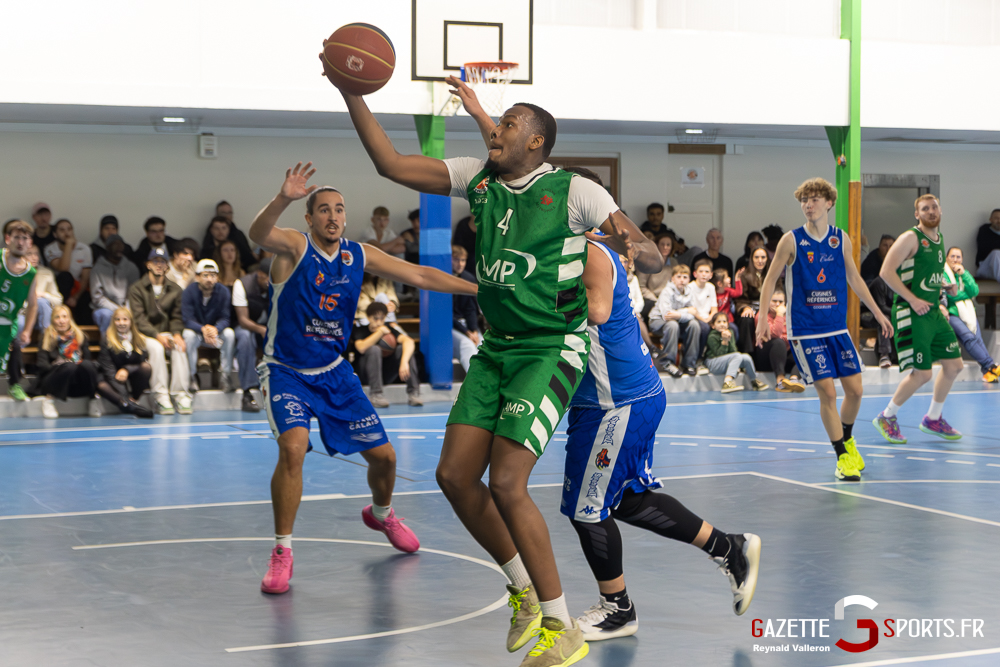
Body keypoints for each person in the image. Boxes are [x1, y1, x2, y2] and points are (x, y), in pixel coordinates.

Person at [339, 70, 660, 666]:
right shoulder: (480, 178)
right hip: (498, 348)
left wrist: (629, 240)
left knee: (509, 483)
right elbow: (390, 164)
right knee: (455, 477)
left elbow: (654, 252)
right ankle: (523, 592)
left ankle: (561, 626)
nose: (495, 128)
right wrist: (351, 91)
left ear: (535, 140)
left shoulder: (575, 192)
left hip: (549, 348)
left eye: (508, 123)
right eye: (497, 121)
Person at [247, 162, 477, 598]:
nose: (333, 216)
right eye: (324, 210)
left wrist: (479, 290)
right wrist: (282, 197)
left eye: (339, 209)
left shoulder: (358, 254)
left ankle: (382, 513)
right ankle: (282, 550)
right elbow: (259, 233)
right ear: (309, 218)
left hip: (334, 373)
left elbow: (423, 276)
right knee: (293, 447)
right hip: (285, 372)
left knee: (386, 459)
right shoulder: (294, 248)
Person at [565, 239, 760, 641]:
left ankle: (617, 609)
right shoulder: (594, 249)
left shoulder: (585, 251)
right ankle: (729, 547)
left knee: (588, 508)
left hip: (618, 403)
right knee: (624, 499)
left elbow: (596, 311)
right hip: (616, 397)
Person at [756, 178, 892, 482]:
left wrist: (878, 313)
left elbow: (855, 279)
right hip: (805, 330)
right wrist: (763, 316)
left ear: (829, 203)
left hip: (836, 328)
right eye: (805, 199)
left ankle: (847, 439)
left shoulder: (841, 239)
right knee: (828, 393)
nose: (809, 204)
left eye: (815, 199)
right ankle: (842, 458)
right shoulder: (791, 240)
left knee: (855, 391)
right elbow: (769, 280)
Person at [873, 195, 965, 443]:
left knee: (954, 365)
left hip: (933, 311)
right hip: (911, 311)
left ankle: (933, 419)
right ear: (917, 214)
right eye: (925, 209)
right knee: (922, 374)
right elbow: (885, 272)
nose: (931, 211)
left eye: (934, 207)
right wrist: (913, 299)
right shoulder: (910, 238)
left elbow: (928, 274)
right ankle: (887, 416)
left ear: (940, 210)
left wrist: (946, 285)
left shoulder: (940, 239)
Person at [128, 247, 193, 415]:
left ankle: (181, 395)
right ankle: (161, 396)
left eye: (162, 262)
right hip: (145, 335)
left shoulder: (175, 289)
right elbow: (139, 319)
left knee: (179, 346)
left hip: (167, 333)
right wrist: (157, 335)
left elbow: (177, 317)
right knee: (156, 348)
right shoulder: (137, 288)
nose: (159, 265)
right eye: (155, 261)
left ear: (167, 266)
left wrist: (177, 334)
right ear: (148, 265)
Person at [28, 305, 99, 419]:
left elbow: (87, 359)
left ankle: (92, 400)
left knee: (88, 365)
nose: (61, 321)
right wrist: (60, 367)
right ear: (53, 320)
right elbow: (42, 365)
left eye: (64, 317)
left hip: (76, 381)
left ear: (69, 319)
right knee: (69, 366)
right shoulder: (46, 337)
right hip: (54, 379)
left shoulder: (81, 336)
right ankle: (49, 401)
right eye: (57, 317)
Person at [942, 247, 999, 382]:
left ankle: (988, 372)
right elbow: (950, 296)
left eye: (958, 257)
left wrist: (964, 275)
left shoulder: (964, 273)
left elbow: (974, 291)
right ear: (946, 258)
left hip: (968, 312)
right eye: (952, 256)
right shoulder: (942, 274)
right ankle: (990, 365)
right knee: (968, 337)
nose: (955, 260)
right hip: (951, 313)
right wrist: (965, 295)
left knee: (977, 339)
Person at [181, 259, 235, 392]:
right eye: (205, 275)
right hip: (198, 334)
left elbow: (226, 318)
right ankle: (192, 376)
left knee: (229, 334)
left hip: (215, 334)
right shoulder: (189, 292)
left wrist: (215, 329)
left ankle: (225, 376)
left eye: (213, 275)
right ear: (197, 277)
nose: (209, 279)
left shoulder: (223, 292)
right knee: (188, 335)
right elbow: (187, 319)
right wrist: (203, 329)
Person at [354, 302, 421, 407]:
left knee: (403, 349)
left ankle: (414, 393)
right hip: (365, 375)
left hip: (385, 374)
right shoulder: (360, 330)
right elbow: (361, 348)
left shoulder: (389, 329)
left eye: (382, 318)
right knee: (374, 349)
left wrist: (404, 362)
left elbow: (409, 341)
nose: (379, 322)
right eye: (375, 318)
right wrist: (379, 333)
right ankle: (376, 395)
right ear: (368, 317)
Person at [1, 220, 38, 402]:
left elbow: (33, 304)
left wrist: (28, 331)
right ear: (8, 239)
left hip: (8, 321)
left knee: (15, 345)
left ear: (30, 243)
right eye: (16, 237)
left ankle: (14, 385)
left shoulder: (30, 274)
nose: (20, 242)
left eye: (25, 238)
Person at [96, 307, 154, 418]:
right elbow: (108, 368)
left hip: (131, 376)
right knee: (101, 385)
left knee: (146, 367)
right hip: (113, 377)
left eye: (125, 319)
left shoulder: (138, 338)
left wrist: (127, 369)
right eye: (117, 320)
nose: (121, 323)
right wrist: (124, 395)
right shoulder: (106, 339)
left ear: (131, 322)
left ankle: (134, 400)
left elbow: (141, 361)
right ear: (113, 322)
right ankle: (129, 405)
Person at [232, 258, 271, 412]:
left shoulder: (278, 284)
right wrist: (262, 330)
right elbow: (242, 320)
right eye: (268, 277)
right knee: (245, 338)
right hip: (245, 327)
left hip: (268, 327)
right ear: (259, 274)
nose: (271, 281)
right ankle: (247, 393)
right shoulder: (242, 284)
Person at [649, 264, 698, 377]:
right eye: (679, 277)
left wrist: (678, 313)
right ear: (673, 278)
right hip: (658, 321)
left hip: (677, 321)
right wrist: (686, 311)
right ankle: (668, 363)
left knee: (694, 324)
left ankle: (689, 363)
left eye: (685, 277)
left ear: (689, 279)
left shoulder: (690, 291)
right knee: (672, 325)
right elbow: (667, 315)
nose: (682, 280)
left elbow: (694, 313)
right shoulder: (667, 291)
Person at [753, 288, 805, 392]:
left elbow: (795, 335)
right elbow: (775, 335)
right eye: (774, 301)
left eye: (780, 302)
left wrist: (784, 337)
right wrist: (780, 315)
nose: (777, 304)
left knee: (803, 347)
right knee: (778, 343)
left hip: (784, 355)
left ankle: (793, 380)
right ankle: (780, 381)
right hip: (765, 356)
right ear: (768, 301)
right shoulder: (761, 316)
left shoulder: (790, 315)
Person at [45, 218, 94, 323]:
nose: (66, 233)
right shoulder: (50, 249)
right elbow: (63, 268)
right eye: (62, 230)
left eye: (69, 229)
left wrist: (76, 297)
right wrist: (68, 245)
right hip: (59, 288)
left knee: (86, 299)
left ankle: (84, 336)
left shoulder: (84, 249)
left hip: (78, 288)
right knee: (65, 276)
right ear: (55, 234)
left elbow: (85, 277)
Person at [705, 311, 767, 393]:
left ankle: (754, 380)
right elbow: (719, 354)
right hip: (712, 363)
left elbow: (733, 351)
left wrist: (729, 340)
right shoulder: (712, 336)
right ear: (713, 325)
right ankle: (727, 382)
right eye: (719, 322)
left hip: (726, 361)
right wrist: (724, 342)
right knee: (737, 355)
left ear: (728, 324)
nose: (722, 324)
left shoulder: (730, 333)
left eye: (724, 321)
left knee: (745, 357)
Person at [89, 234, 140, 335]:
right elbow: (97, 297)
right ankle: (108, 347)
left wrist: (126, 310)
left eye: (121, 245)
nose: (119, 248)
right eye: (115, 245)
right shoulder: (97, 269)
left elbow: (134, 293)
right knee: (107, 315)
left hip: (127, 308)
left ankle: (131, 347)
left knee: (137, 314)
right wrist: (117, 310)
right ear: (107, 247)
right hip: (104, 309)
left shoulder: (131, 267)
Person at [735, 247, 770, 354]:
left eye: (763, 257)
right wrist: (745, 308)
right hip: (750, 307)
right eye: (757, 257)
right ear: (752, 259)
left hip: (769, 308)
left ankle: (765, 355)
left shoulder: (773, 274)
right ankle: (748, 354)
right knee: (747, 319)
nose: (760, 260)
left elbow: (779, 293)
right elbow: (740, 297)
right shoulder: (745, 275)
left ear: (767, 259)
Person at [451, 245, 480, 373]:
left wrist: (473, 330)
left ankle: (491, 383)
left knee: (483, 345)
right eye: (456, 259)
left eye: (463, 260)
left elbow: (470, 309)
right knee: (466, 344)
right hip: (449, 326)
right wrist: (466, 332)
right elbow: (445, 314)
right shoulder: (442, 279)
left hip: (466, 325)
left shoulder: (468, 279)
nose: (460, 264)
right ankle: (476, 382)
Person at [635, 233, 677, 318]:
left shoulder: (674, 263)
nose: (665, 247)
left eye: (668, 245)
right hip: (652, 298)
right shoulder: (647, 262)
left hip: (669, 298)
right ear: (656, 245)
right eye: (662, 244)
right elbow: (641, 287)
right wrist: (657, 300)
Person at [203, 204, 256, 269]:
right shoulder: (208, 243)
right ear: (211, 230)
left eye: (224, 228)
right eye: (217, 228)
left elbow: (249, 258)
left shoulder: (238, 236)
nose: (220, 232)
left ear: (228, 229)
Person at [689, 259, 718, 366]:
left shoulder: (711, 287)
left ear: (711, 275)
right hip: (695, 318)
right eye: (701, 271)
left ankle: (715, 357)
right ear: (695, 273)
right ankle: (699, 357)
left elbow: (714, 309)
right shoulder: (690, 287)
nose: (704, 274)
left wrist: (709, 318)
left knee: (731, 327)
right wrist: (704, 320)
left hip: (708, 318)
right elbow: (692, 310)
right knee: (704, 328)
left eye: (707, 272)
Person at [25, 244, 59, 331]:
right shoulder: (15, 273)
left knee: (42, 302)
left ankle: (46, 337)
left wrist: (44, 294)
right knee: (20, 323)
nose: (34, 257)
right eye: (29, 254)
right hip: (24, 313)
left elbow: (58, 300)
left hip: (44, 313)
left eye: (36, 254)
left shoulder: (46, 273)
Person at [975, 208, 1000, 280]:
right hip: (986, 267)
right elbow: (987, 248)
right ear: (990, 219)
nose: (999, 221)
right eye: (996, 218)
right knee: (996, 253)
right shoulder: (984, 230)